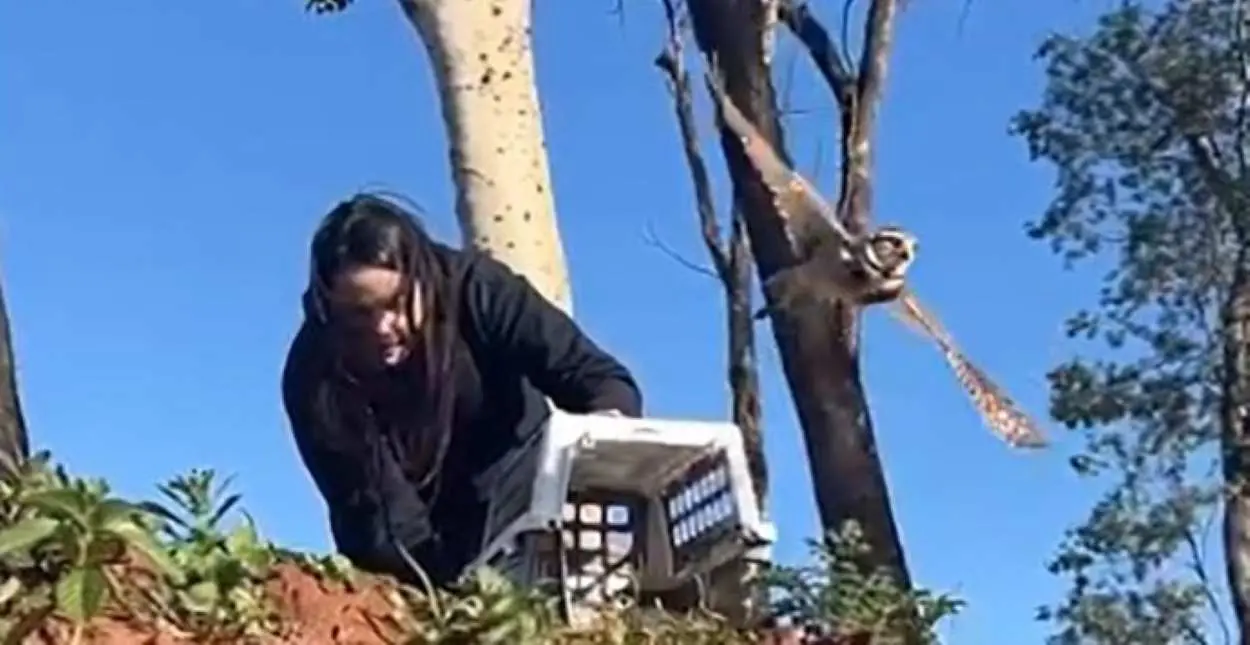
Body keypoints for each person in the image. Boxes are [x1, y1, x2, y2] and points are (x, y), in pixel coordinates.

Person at [281, 192, 643, 587]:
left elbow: (595, 377)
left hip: (525, 493)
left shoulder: (479, 289)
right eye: (359, 315)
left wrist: (602, 446)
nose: (383, 328)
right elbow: (378, 518)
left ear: (423, 278)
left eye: (397, 303)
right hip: (420, 535)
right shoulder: (315, 376)